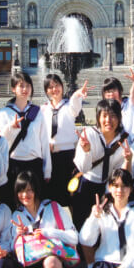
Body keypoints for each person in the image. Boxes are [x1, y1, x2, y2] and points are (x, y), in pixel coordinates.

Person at [10, 170, 78, 268]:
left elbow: (74, 237)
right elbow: (14, 250)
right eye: (21, 191)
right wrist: (19, 236)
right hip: (31, 261)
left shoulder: (52, 208)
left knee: (51, 264)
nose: (25, 195)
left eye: (29, 190)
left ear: (36, 190)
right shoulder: (17, 215)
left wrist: (48, 232)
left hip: (54, 259)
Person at [72, 99, 132, 231]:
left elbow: (122, 175)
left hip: (107, 188)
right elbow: (83, 168)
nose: (108, 120)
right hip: (86, 185)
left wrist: (128, 160)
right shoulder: (89, 134)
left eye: (113, 116)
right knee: (82, 227)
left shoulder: (124, 139)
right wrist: (87, 151)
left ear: (119, 118)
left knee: (104, 229)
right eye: (104, 116)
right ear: (98, 117)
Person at [0, 72, 51, 207]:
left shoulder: (37, 112)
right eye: (21, 86)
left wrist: (47, 169)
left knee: (34, 205)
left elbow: (44, 142)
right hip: (14, 165)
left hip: (35, 165)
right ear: (13, 89)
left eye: (28, 86)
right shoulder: (4, 113)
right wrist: (10, 128)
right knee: (14, 204)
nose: (25, 89)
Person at [41, 75, 88, 206]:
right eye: (50, 87)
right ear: (46, 91)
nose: (54, 89)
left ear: (62, 87)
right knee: (52, 196)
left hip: (68, 156)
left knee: (71, 194)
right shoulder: (43, 109)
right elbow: (40, 132)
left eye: (57, 85)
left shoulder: (68, 106)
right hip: (50, 157)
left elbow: (75, 107)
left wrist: (77, 95)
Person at [101, 70, 134, 139]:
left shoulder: (128, 104)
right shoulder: (103, 110)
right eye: (107, 92)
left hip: (133, 144)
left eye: (114, 90)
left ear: (120, 91)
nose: (111, 94)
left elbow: (133, 96)